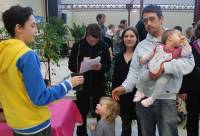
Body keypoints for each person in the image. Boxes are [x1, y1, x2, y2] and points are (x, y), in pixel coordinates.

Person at [0, 5, 84, 136]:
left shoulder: (4, 52)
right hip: (35, 125)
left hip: (16, 124)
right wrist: (69, 83)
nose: (36, 31)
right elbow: (40, 97)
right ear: (18, 28)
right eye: (32, 26)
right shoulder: (26, 55)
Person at [112, 4, 194, 136]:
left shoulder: (177, 38)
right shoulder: (141, 46)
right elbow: (134, 72)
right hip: (143, 99)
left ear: (161, 19)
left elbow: (189, 63)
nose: (148, 23)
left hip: (167, 99)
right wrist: (124, 87)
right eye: (145, 20)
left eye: (152, 19)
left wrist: (164, 68)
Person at [68, 23, 111, 136]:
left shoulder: (103, 45)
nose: (93, 43)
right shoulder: (78, 45)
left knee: (100, 110)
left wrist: (101, 67)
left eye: (95, 41)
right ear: (86, 36)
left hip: (99, 82)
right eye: (90, 41)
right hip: (82, 82)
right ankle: (81, 132)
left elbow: (108, 65)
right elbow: (70, 65)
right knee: (82, 109)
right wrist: (81, 66)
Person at [134, 29, 192, 107]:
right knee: (142, 77)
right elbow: (151, 54)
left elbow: (188, 52)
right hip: (152, 69)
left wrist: (185, 43)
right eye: (179, 35)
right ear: (170, 38)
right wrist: (144, 59)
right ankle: (140, 92)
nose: (181, 37)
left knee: (161, 83)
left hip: (165, 73)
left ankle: (152, 98)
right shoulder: (159, 46)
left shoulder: (179, 50)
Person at [112, 27, 142, 136]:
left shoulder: (142, 56)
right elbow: (115, 78)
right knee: (125, 126)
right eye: (126, 36)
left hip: (139, 95)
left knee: (142, 127)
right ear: (123, 39)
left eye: (132, 36)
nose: (129, 39)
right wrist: (115, 94)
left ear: (137, 38)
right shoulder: (119, 56)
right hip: (123, 96)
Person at [179, 20, 200, 136]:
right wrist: (182, 90)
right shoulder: (190, 48)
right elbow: (183, 70)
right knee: (192, 118)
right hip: (192, 90)